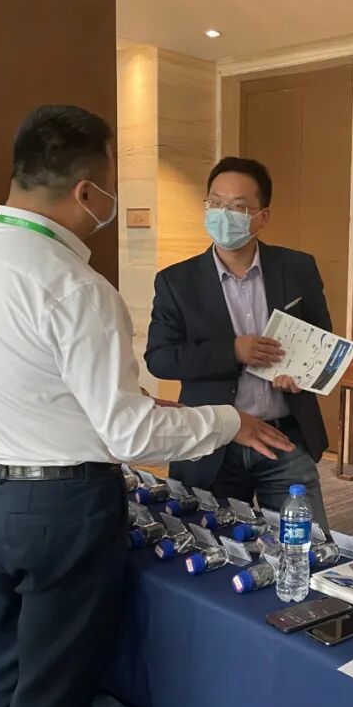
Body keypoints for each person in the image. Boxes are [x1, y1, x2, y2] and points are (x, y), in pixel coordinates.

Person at [0, 106, 292, 707]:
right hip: (59, 507)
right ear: (86, 192)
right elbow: (129, 435)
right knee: (51, 681)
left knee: (0, 657)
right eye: (111, 185)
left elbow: (33, 383)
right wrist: (229, 421)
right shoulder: (76, 286)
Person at [145, 157, 332, 527]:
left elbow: (320, 339)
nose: (223, 215)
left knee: (304, 542)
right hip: (212, 440)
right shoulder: (176, 281)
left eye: (238, 207)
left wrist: (302, 373)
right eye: (215, 203)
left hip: (283, 434)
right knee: (211, 542)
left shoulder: (298, 268)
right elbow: (160, 358)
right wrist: (232, 351)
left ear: (262, 216)